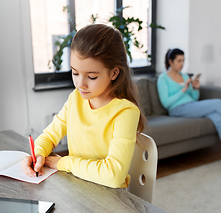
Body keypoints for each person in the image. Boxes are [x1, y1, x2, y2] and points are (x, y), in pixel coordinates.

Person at [21, 24, 146, 188]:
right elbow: (49, 136)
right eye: (75, 73)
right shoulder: (75, 100)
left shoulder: (125, 112)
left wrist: (64, 163)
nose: (80, 84)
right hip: (77, 188)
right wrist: (38, 154)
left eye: (92, 77)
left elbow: (113, 175)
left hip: (111, 199)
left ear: (114, 73)